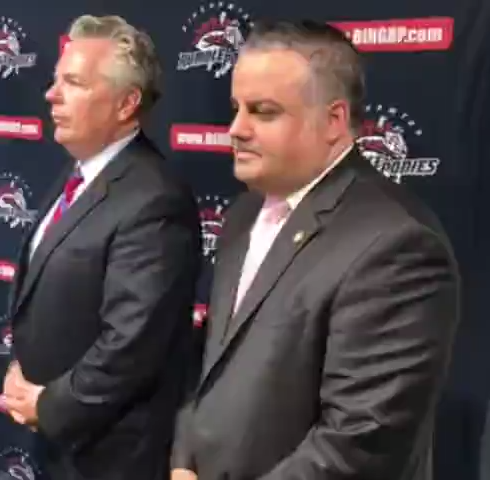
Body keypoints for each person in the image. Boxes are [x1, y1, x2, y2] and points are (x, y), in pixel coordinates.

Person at [170, 20, 460, 480]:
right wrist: (184, 460)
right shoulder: (244, 213)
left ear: (334, 121)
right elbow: (213, 367)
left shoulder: (398, 246)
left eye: (263, 112)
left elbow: (360, 443)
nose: (235, 129)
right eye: (235, 108)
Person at [2, 15, 202, 480]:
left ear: (126, 102)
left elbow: (131, 346)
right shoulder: (78, 175)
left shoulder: (154, 199)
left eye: (72, 82)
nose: (51, 95)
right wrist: (22, 367)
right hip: (60, 443)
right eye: (55, 80)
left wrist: (50, 405)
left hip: (111, 456)